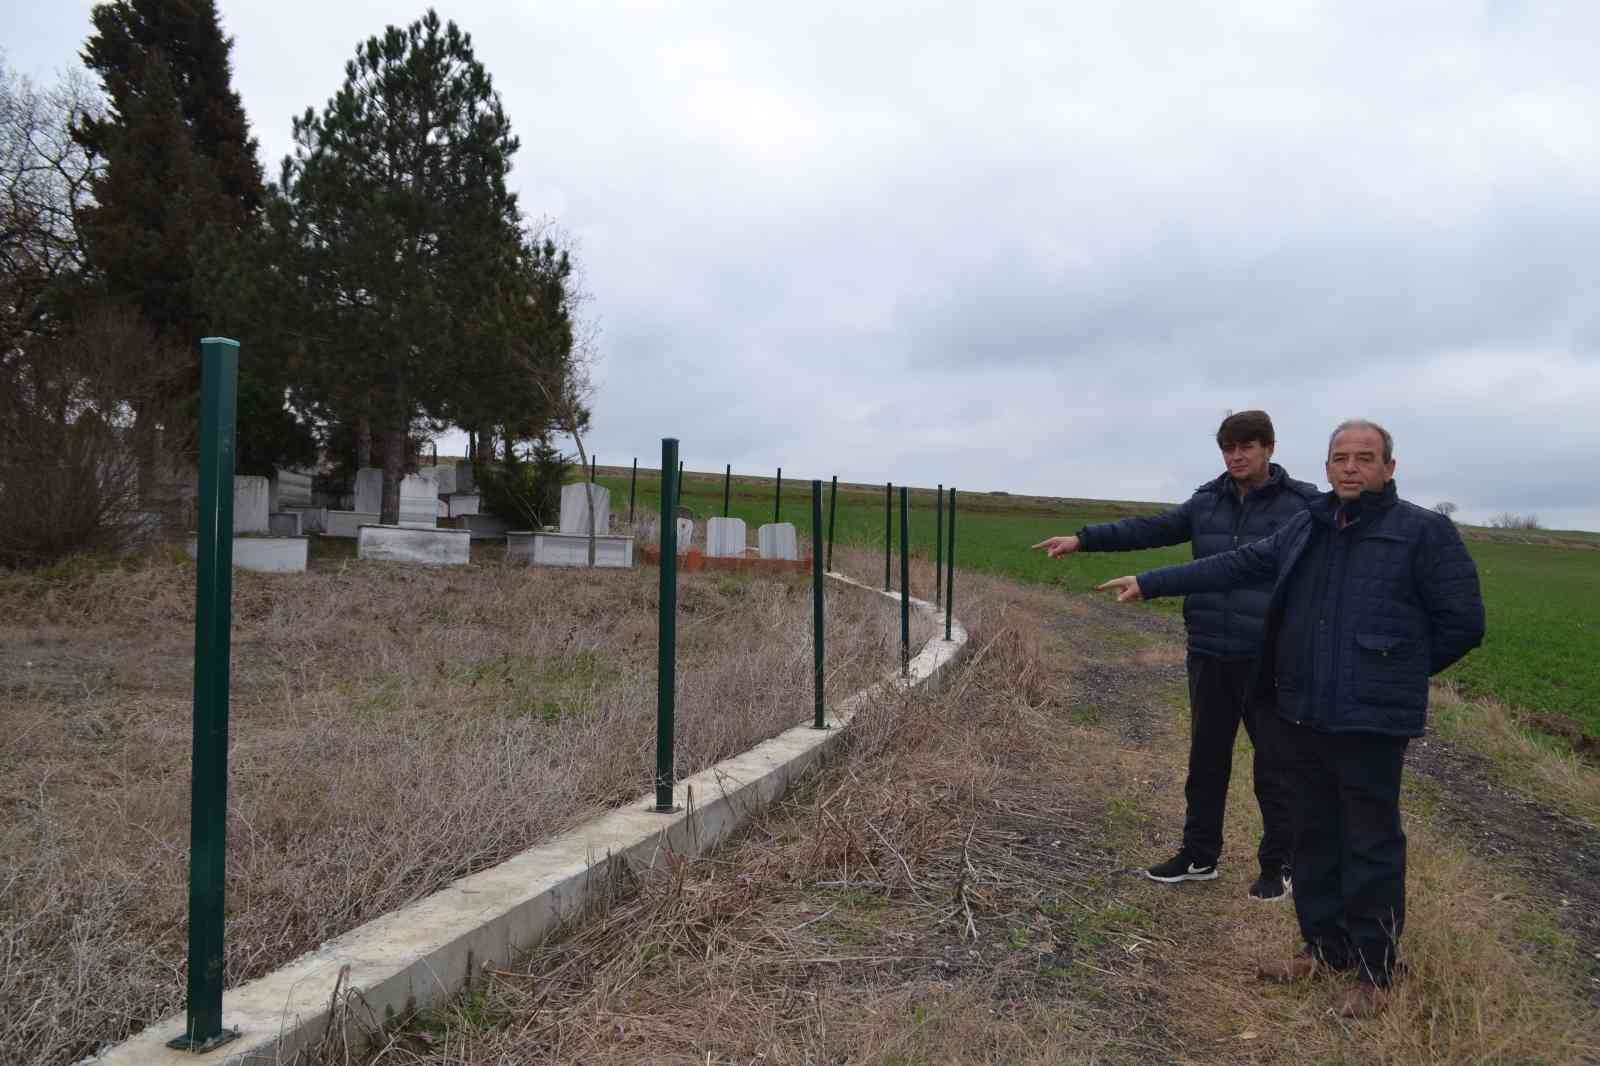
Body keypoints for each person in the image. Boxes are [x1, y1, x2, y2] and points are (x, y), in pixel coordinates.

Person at [1095, 420, 1485, 1018]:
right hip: (1301, 711)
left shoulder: (1423, 532)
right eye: (1340, 457)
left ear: (1389, 467)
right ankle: (1323, 949)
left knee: (1370, 843)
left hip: (1371, 721)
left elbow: (1463, 623)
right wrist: (1151, 582)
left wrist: (1391, 671)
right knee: (1312, 834)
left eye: (1364, 457)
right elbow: (1236, 564)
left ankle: (1376, 971)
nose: (1350, 467)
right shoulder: (1310, 524)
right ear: (1326, 466)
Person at [1032, 410, 1315, 901]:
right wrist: (1084, 539)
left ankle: (1279, 864)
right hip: (1208, 649)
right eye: (1228, 448)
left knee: (1275, 767)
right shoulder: (1207, 501)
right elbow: (1149, 529)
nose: (1236, 457)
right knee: (1206, 760)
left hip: (1269, 657)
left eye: (1246, 447)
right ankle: (1199, 855)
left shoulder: (1302, 505)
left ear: (1269, 448)